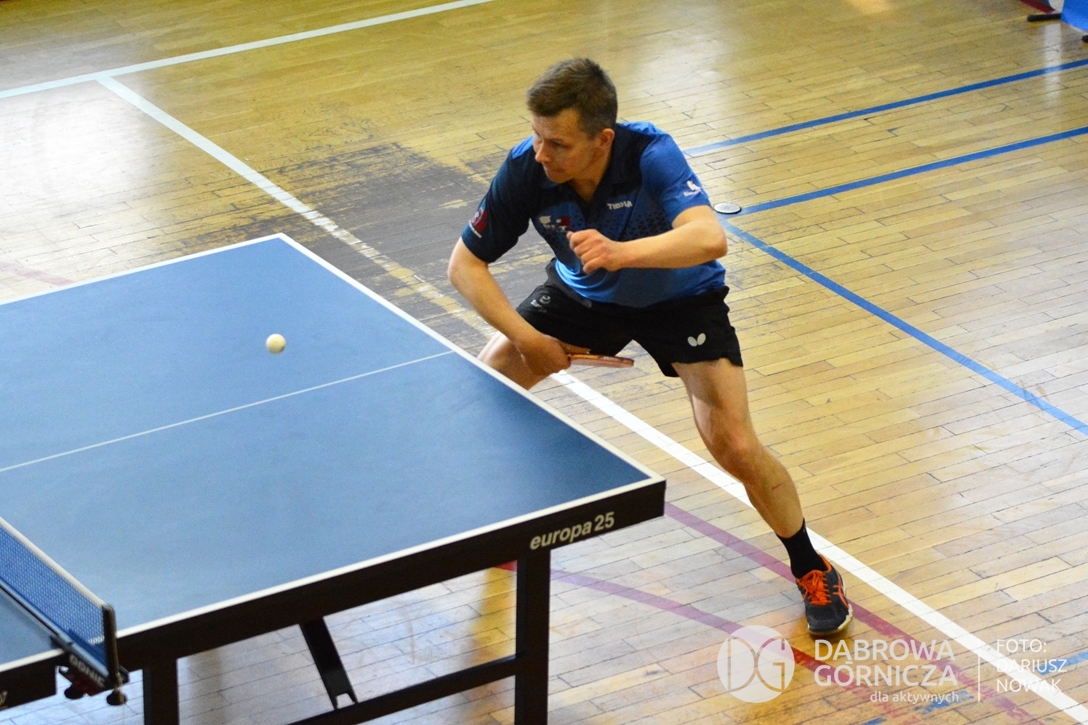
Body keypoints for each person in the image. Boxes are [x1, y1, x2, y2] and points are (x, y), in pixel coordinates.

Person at [447, 58, 851, 636]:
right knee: (490, 386)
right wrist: (529, 339)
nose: (541, 153)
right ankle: (500, 523)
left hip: (680, 299)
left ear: (602, 139)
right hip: (585, 296)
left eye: (557, 143)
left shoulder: (650, 153)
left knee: (735, 444)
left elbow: (709, 237)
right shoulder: (526, 168)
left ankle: (812, 567)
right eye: (536, 136)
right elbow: (464, 266)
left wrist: (620, 253)